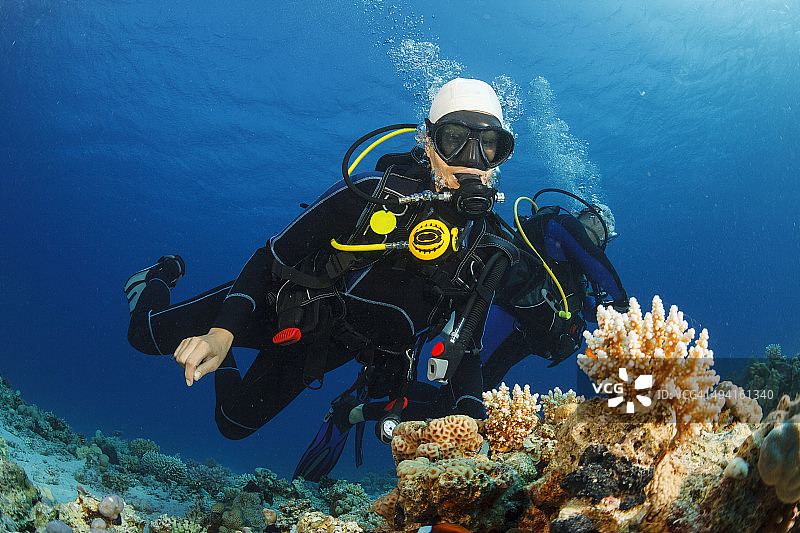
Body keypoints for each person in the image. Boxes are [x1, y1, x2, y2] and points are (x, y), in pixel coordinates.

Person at [123, 78, 627, 480]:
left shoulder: (488, 247)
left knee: (232, 426)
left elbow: (468, 345)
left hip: (329, 347)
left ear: (501, 159)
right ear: (427, 143)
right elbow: (268, 258)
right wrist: (221, 332)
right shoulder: (368, 196)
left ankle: (225, 351)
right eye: (455, 141)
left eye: (488, 147)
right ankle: (158, 277)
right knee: (142, 337)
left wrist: (472, 417)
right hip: (277, 303)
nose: (469, 164)